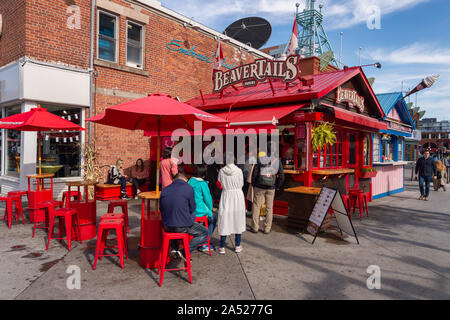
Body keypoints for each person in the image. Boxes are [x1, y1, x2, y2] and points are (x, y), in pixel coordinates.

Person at [159, 172, 209, 261]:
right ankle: (183, 252)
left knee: (175, 218)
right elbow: (193, 207)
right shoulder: (188, 188)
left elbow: (161, 209)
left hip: (167, 226)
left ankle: (175, 249)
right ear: (185, 180)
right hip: (181, 226)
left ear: (174, 180)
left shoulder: (165, 189)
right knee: (204, 232)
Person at [217, 154, 246, 254]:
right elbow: (242, 183)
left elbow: (219, 183)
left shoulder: (221, 171)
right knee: (238, 219)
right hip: (238, 195)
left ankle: (222, 246)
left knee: (224, 219)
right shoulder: (239, 171)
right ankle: (237, 245)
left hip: (226, 195)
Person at [251, 150, 285, 234]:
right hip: (271, 187)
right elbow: (281, 175)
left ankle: (255, 227)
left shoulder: (260, 159)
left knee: (256, 206)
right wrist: (277, 185)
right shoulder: (277, 161)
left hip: (259, 186)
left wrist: (254, 183)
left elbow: (254, 173)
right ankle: (267, 228)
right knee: (269, 208)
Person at [187, 164, 217, 252]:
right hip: (199, 210)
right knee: (213, 219)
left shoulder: (190, 181)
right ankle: (204, 242)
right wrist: (210, 209)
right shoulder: (203, 184)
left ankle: (200, 236)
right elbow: (208, 199)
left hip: (190, 210)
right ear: (204, 174)